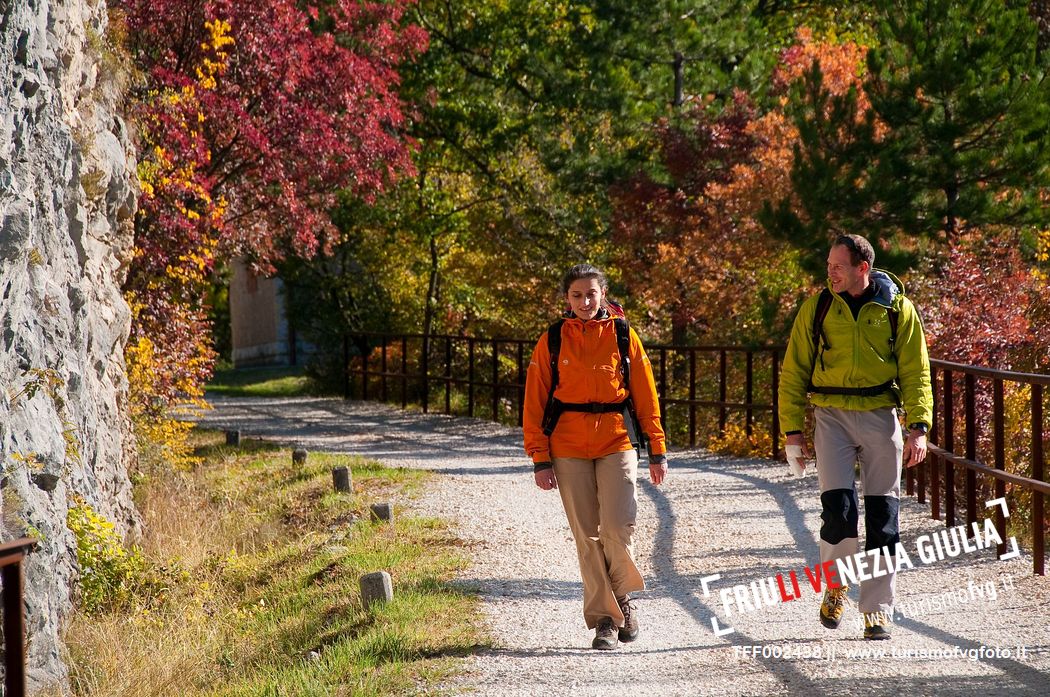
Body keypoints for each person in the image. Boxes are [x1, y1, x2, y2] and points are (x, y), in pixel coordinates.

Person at [779, 234, 932, 640]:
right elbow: (794, 370)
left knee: (884, 519)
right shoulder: (818, 308)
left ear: (862, 268)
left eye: (838, 267)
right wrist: (792, 432)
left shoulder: (898, 309)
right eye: (828, 265)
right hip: (831, 416)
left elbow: (917, 371)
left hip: (882, 416)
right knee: (838, 511)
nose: (830, 273)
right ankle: (835, 584)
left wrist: (919, 428)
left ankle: (877, 611)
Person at [523, 263, 669, 650]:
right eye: (577, 295)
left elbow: (646, 396)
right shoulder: (552, 340)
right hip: (567, 445)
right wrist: (539, 457)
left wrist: (657, 449)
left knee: (618, 528)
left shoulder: (624, 335)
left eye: (591, 294)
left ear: (603, 294)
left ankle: (622, 598)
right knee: (587, 536)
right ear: (566, 299)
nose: (585, 302)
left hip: (617, 440)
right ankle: (606, 619)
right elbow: (534, 402)